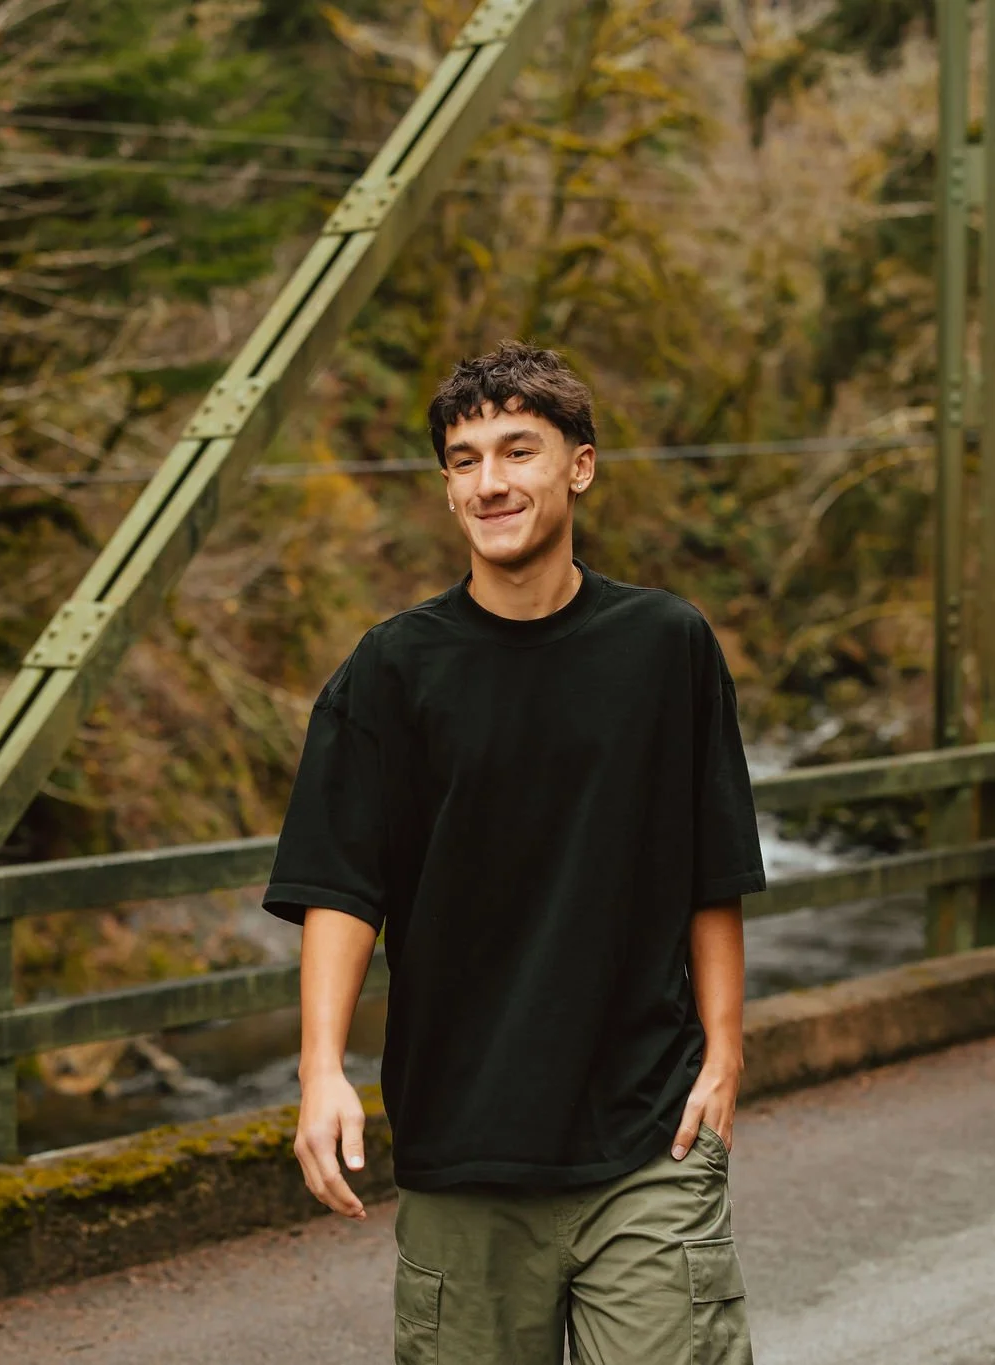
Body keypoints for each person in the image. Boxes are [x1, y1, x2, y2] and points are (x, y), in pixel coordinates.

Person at [262, 340, 767, 1364]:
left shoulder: (665, 646)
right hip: (463, 1150)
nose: (489, 481)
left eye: (517, 450)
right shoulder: (391, 670)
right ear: (448, 488)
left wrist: (724, 1053)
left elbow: (710, 868)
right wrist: (321, 1070)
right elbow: (340, 887)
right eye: (464, 460)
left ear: (579, 465)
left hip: (646, 1141)